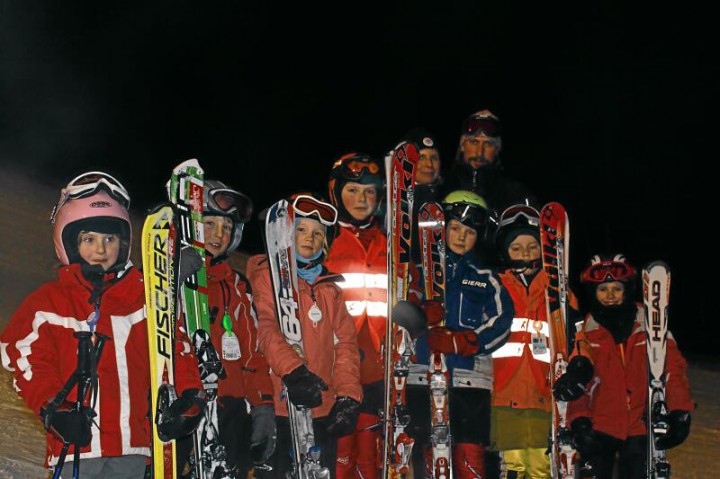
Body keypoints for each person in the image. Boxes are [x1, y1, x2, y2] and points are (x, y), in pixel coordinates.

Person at [0, 172, 204, 478]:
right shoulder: (49, 303)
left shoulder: (142, 301)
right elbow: (23, 357)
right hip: (77, 448)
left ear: (123, 244)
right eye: (89, 239)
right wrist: (54, 407)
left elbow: (174, 346)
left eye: (110, 239)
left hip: (132, 449)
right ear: (68, 243)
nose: (101, 249)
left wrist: (189, 394)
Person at [247, 192, 363, 478]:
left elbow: (345, 344)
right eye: (301, 229)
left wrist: (348, 396)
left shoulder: (331, 290)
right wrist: (294, 371)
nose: (310, 238)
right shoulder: (266, 277)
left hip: (321, 406)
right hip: (281, 406)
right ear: (287, 232)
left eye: (317, 233)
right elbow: (265, 328)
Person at [554, 254, 693, 479]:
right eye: (602, 289)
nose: (610, 295)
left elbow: (673, 370)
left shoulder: (652, 326)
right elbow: (581, 382)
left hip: (640, 426)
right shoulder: (585, 332)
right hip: (600, 426)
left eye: (617, 289)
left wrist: (679, 411)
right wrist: (579, 420)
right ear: (592, 292)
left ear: (627, 289)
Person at [407, 189, 514, 478]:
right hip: (422, 374)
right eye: (454, 228)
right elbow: (399, 313)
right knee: (427, 453)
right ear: (442, 228)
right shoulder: (417, 271)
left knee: (470, 455)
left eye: (469, 232)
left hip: (470, 379)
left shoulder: (485, 277)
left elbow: (502, 321)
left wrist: (463, 341)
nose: (461, 237)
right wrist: (420, 316)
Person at [489, 204, 579, 479]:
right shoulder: (496, 287)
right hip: (504, 395)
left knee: (541, 468)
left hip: (544, 396)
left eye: (532, 247)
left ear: (543, 251)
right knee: (511, 468)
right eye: (516, 248)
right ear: (505, 252)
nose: (525, 254)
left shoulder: (559, 293)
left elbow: (578, 336)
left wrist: (580, 364)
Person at [196, 180, 276, 478]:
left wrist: (263, 406)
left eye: (227, 227)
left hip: (231, 411)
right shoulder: (164, 277)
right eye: (210, 224)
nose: (219, 235)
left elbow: (254, 355)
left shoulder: (238, 286)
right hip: (187, 411)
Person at [324, 152, 387, 478]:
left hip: (378, 365)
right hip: (337, 365)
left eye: (369, 191)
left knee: (370, 455)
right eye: (353, 190)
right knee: (340, 454)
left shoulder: (389, 244)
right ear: (336, 193)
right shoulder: (325, 239)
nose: (362, 200)